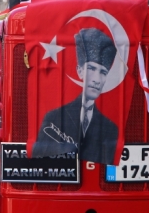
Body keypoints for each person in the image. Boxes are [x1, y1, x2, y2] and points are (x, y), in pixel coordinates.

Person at [33, 28, 118, 164]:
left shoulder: (111, 128)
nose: (96, 79)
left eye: (103, 72)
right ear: (79, 71)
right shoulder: (53, 118)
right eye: (91, 68)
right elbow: (38, 162)